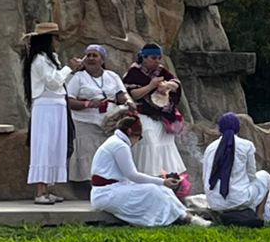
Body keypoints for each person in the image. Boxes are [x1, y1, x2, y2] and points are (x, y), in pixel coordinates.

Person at [89, 113, 208, 227]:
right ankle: (182, 218)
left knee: (161, 189)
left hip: (115, 188)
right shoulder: (120, 145)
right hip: (106, 194)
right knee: (152, 190)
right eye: (139, 137)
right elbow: (133, 175)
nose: (138, 141)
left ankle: (183, 215)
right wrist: (162, 181)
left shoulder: (117, 142)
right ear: (131, 133)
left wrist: (161, 182)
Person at [22, 23, 84, 205]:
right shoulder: (39, 59)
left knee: (55, 147)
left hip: (57, 106)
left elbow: (60, 83)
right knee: (44, 146)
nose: (58, 42)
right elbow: (53, 82)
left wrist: (71, 71)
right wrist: (68, 68)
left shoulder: (51, 59)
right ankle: (40, 191)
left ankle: (48, 189)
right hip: (46, 107)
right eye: (55, 38)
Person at [64, 44, 130, 191]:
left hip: (110, 121)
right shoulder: (78, 78)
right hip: (85, 121)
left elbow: (121, 94)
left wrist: (128, 101)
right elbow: (68, 100)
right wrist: (87, 103)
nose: (91, 58)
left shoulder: (112, 76)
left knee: (109, 152)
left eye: (95, 55)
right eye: (88, 55)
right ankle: (92, 185)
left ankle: (110, 181)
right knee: (89, 152)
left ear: (102, 59)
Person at [122, 43, 186, 177]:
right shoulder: (134, 72)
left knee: (165, 143)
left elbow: (176, 83)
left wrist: (167, 85)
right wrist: (151, 86)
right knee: (149, 142)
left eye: (159, 58)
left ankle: (168, 177)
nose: (157, 61)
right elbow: (132, 94)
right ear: (144, 58)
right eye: (153, 58)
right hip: (143, 114)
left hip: (162, 117)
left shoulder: (162, 71)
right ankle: (148, 176)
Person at [203, 112, 270, 226]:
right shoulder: (247, 145)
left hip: (214, 201)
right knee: (265, 176)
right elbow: (251, 174)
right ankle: (261, 216)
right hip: (239, 199)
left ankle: (223, 212)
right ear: (238, 128)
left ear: (220, 129)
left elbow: (206, 176)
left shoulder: (210, 148)